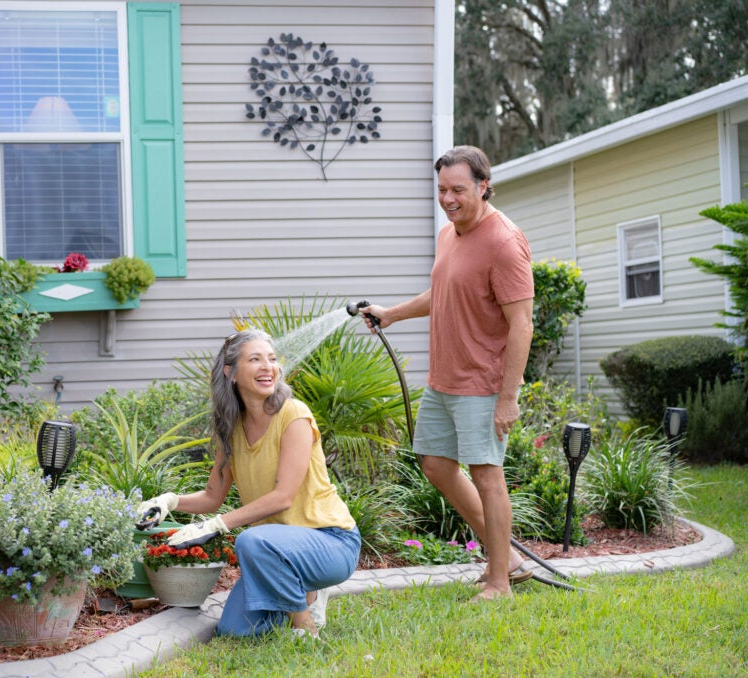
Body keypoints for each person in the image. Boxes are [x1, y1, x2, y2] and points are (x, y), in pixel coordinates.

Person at [360, 145, 535, 601]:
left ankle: (499, 582)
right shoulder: (449, 234)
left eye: (458, 189)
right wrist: (392, 314)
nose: (448, 198)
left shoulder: (504, 242)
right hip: (445, 378)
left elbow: (522, 324)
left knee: (487, 475)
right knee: (436, 465)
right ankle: (508, 559)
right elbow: (442, 292)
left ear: (483, 185)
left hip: (483, 382)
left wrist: (508, 396)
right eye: (442, 189)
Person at [137, 329, 361, 636]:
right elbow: (212, 496)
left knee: (249, 541)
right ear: (230, 372)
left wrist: (215, 526)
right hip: (275, 550)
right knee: (236, 630)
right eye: (255, 360)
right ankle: (299, 590)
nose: (268, 367)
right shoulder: (230, 428)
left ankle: (305, 626)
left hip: (329, 541)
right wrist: (169, 501)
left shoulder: (294, 415)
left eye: (271, 359)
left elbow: (283, 497)